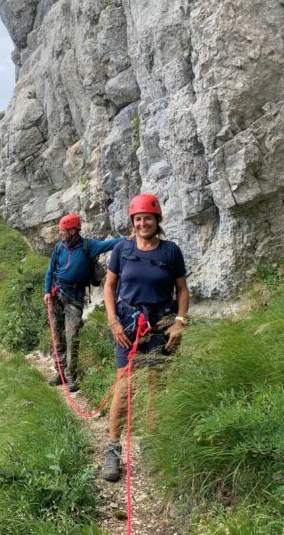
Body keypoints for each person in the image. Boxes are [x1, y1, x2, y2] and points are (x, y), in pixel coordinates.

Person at [101, 193, 189, 482]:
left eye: (147, 218)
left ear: (156, 220)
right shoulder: (122, 251)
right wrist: (113, 321)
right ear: (133, 222)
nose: (143, 223)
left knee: (155, 385)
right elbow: (109, 287)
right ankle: (112, 448)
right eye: (138, 219)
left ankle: (151, 446)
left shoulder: (170, 252)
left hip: (160, 325)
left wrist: (179, 322)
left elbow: (182, 290)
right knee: (124, 385)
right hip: (127, 326)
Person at [44, 214, 125, 393]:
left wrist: (130, 238)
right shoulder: (59, 248)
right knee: (57, 336)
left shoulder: (89, 246)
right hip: (57, 295)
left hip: (75, 298)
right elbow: (50, 270)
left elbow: (111, 244)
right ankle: (61, 373)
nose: (60, 234)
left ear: (73, 231)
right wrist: (46, 292)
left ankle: (71, 376)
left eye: (62, 231)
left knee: (72, 337)